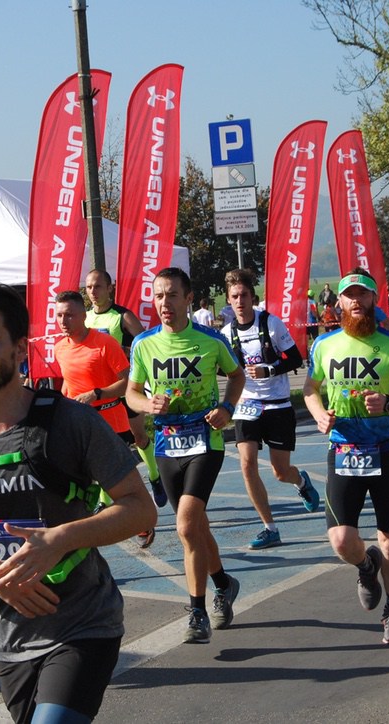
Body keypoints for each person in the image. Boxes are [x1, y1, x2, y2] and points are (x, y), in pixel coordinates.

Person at [0, 281, 154, 723]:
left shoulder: (70, 422)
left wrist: (61, 539)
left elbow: (139, 508)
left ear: (20, 348)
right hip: (8, 638)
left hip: (82, 624)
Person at [126, 267, 246, 644]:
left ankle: (197, 612)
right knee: (195, 527)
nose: (165, 303)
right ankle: (223, 584)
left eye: (172, 295)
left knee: (185, 526)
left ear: (189, 298)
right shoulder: (144, 344)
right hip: (167, 444)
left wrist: (227, 408)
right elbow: (131, 393)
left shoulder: (210, 340)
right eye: (159, 296)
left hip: (205, 441)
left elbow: (237, 376)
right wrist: (147, 404)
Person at [304, 269, 389, 645]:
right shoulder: (325, 344)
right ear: (339, 302)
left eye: (363, 294)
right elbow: (310, 387)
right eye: (349, 295)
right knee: (341, 539)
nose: (356, 301)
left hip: (386, 451)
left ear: (374, 299)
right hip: (343, 450)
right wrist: (319, 414)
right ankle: (366, 565)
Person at [219, 268, 318, 550]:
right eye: (234, 296)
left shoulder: (271, 324)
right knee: (247, 464)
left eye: (244, 295)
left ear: (253, 297)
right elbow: (224, 368)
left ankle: (300, 482)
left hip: (278, 404)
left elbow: (295, 358)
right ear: (229, 300)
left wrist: (269, 369)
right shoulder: (225, 334)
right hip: (246, 405)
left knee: (280, 471)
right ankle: (269, 528)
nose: (240, 301)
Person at [53, 290, 155, 548]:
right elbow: (68, 382)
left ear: (83, 316)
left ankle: (142, 520)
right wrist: (60, 403)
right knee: (76, 480)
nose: (64, 321)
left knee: (119, 485)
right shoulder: (60, 348)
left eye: (69, 315)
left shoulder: (104, 343)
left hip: (110, 422)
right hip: (78, 424)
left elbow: (127, 383)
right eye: (59, 315)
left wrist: (96, 393)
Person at [84, 268, 167, 508]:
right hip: (100, 391)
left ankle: (155, 476)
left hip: (124, 387)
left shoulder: (122, 316)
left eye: (98, 286)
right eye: (89, 287)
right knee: (102, 447)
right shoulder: (85, 318)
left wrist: (126, 352)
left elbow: (146, 344)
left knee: (138, 436)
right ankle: (103, 501)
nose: (93, 291)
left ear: (110, 288)